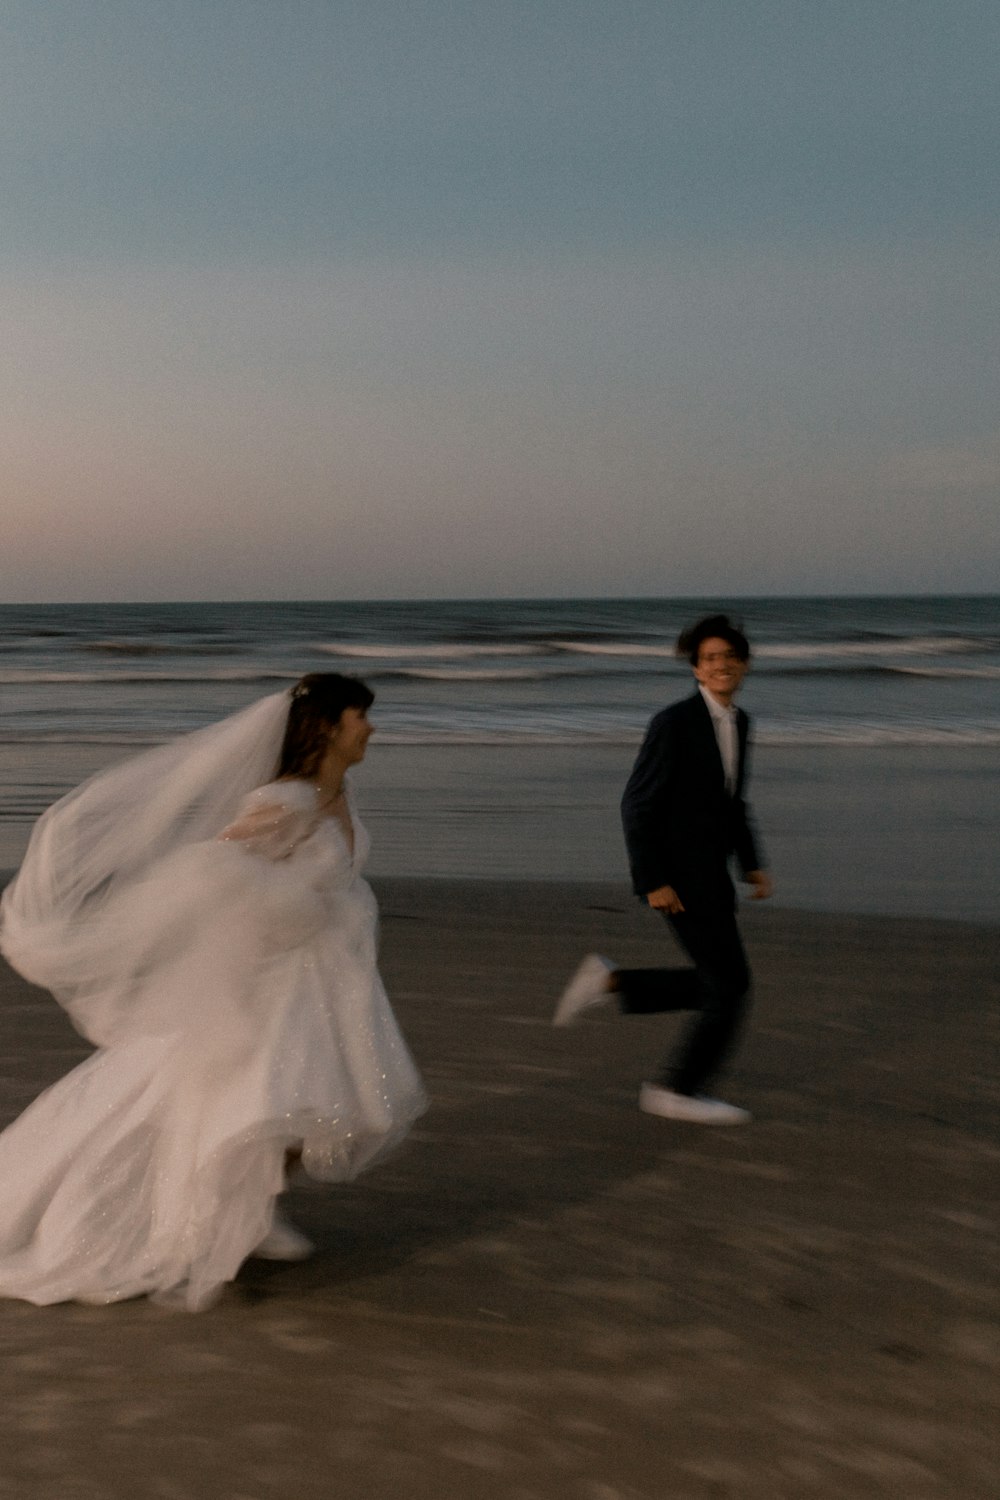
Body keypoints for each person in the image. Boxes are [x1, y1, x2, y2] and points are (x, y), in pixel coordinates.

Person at [0, 674, 426, 1310]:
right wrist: (288, 906)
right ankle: (230, 1219)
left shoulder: (336, 790)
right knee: (261, 1097)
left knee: (308, 1099)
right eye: (360, 716)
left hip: (326, 975)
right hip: (278, 978)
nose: (370, 727)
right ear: (327, 727)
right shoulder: (288, 801)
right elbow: (210, 869)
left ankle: (255, 1212)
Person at [554, 615, 772, 1124]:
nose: (721, 665)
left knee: (722, 984)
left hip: (712, 874)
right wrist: (651, 880)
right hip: (676, 878)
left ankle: (613, 984)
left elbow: (732, 804)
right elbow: (636, 804)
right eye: (710, 658)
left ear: (743, 664)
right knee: (730, 987)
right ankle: (677, 1089)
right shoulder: (673, 723)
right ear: (696, 669)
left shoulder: (740, 723)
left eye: (729, 657)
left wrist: (753, 863)